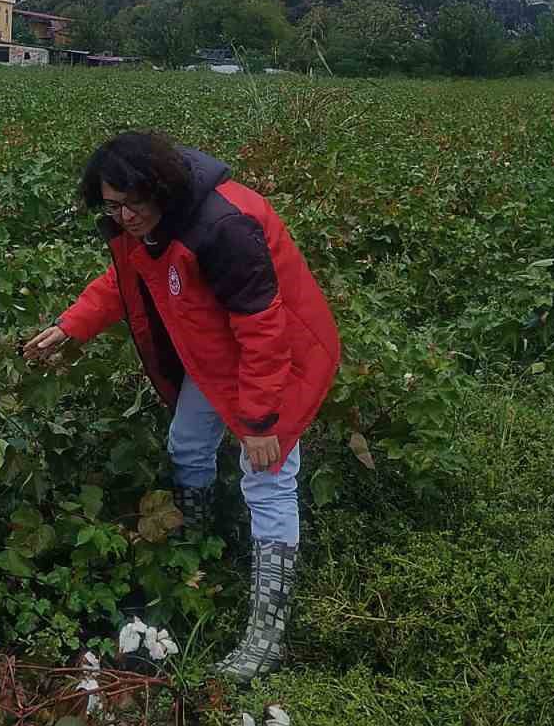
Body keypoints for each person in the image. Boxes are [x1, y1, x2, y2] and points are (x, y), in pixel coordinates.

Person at [23, 131, 340, 682]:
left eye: (131, 203)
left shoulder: (224, 226)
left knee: (266, 475)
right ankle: (197, 550)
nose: (122, 216)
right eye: (111, 205)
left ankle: (267, 635)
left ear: (160, 188)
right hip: (216, 352)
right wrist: (70, 326)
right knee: (187, 444)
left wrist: (262, 419)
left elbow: (264, 327)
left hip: (282, 357)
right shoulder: (149, 224)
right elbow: (123, 281)